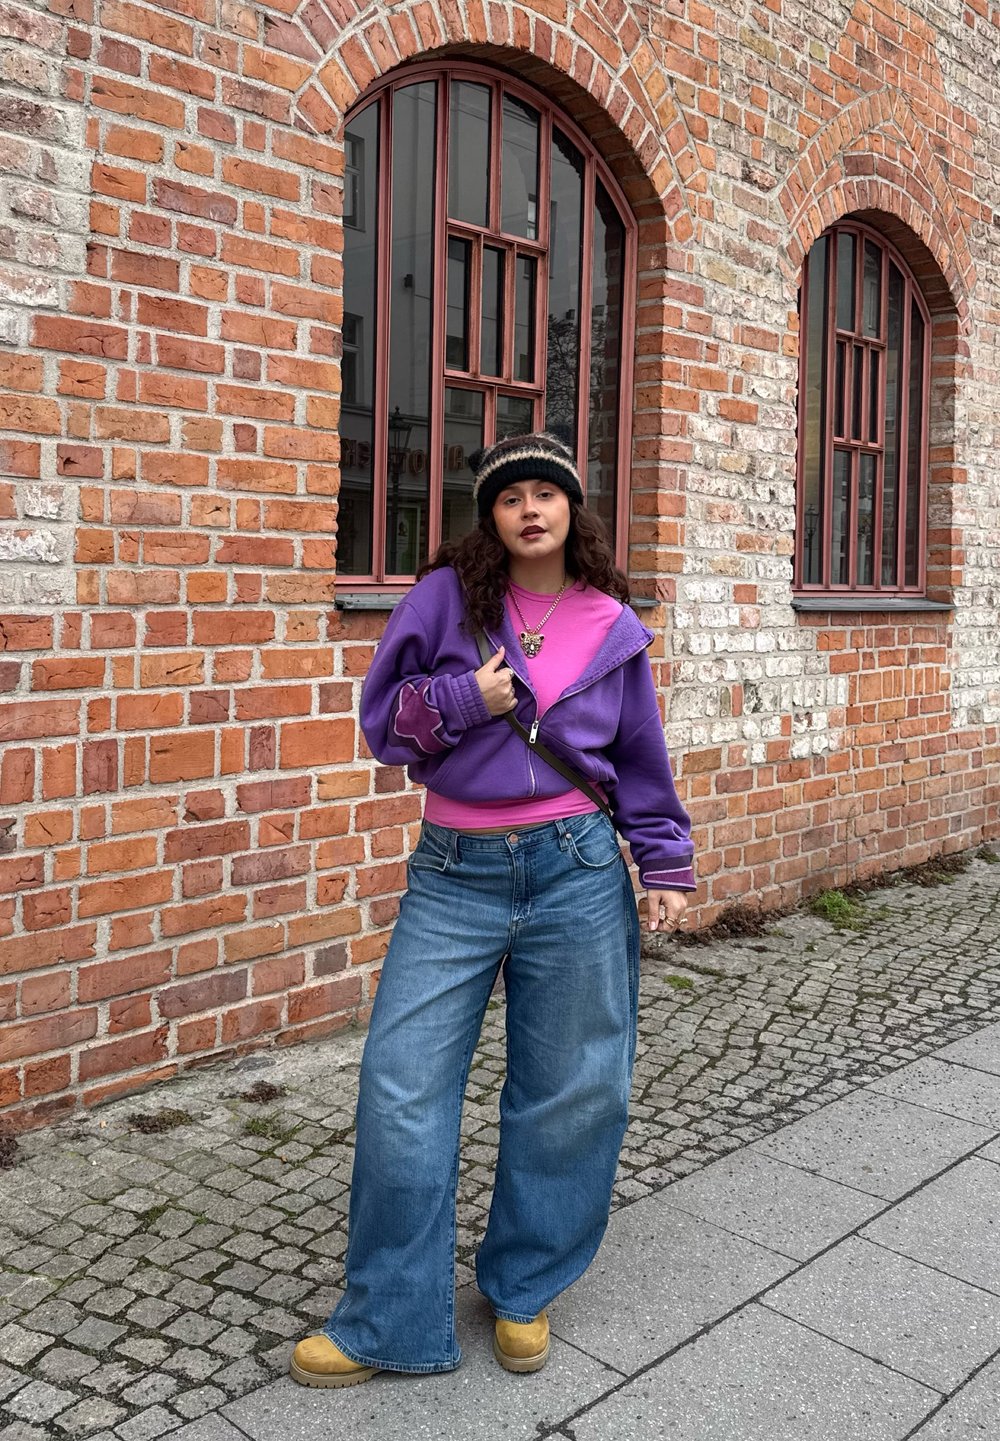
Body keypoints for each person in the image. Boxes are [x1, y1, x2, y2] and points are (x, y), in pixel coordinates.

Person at [290, 432, 695, 1387]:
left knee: (572, 1088)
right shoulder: (442, 601)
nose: (529, 509)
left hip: (577, 867)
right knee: (401, 1083)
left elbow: (639, 756)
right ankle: (389, 1317)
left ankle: (523, 1284)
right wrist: (466, 699)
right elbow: (381, 725)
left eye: (545, 493)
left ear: (571, 511)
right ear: (492, 515)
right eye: (509, 495)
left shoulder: (609, 620)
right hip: (453, 871)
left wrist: (664, 862)